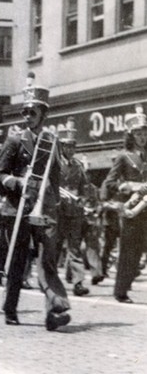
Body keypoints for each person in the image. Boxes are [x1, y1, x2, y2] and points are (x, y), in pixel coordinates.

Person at [0, 73, 71, 331]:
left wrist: (56, 200)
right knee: (17, 262)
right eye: (25, 111)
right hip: (17, 209)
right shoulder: (15, 140)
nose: (27, 116)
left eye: (33, 112)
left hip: (43, 209)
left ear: (43, 114)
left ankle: (55, 308)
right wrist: (17, 182)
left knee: (47, 259)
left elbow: (56, 176)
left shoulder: (51, 142)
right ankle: (10, 308)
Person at [100, 105, 147, 303]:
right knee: (130, 251)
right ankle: (121, 290)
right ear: (130, 135)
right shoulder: (123, 156)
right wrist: (128, 186)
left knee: (139, 251)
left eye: (144, 132)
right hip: (132, 209)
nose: (142, 136)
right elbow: (110, 182)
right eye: (137, 133)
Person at [57, 118, 90, 297]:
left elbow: (85, 186)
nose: (70, 149)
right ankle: (48, 277)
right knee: (54, 247)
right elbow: (48, 184)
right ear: (61, 147)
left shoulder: (78, 165)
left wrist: (84, 199)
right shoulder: (54, 164)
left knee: (75, 247)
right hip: (58, 211)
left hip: (75, 212)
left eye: (72, 146)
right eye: (66, 146)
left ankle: (78, 283)